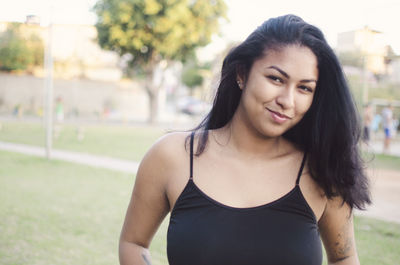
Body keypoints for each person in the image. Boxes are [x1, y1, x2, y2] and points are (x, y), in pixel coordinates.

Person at [119, 15, 371, 265]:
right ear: (242, 73)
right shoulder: (172, 156)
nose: (288, 100)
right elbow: (133, 243)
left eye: (304, 88)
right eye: (276, 79)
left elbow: (344, 257)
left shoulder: (322, 170)